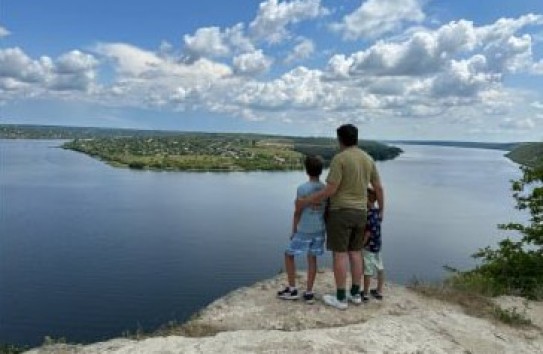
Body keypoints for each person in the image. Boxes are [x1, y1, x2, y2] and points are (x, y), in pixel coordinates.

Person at [297, 124, 384, 310]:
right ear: (356, 138)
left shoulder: (340, 159)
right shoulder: (368, 159)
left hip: (341, 213)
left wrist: (306, 201)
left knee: (340, 254)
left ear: (340, 139)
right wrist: (381, 210)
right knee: (356, 253)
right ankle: (355, 294)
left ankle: (340, 298)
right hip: (361, 213)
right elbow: (379, 188)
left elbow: (331, 189)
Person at [277, 155, 326, 304]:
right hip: (319, 229)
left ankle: (292, 289)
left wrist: (294, 230)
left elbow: (297, 211)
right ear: (321, 171)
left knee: (289, 255)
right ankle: (309, 292)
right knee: (312, 258)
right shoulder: (325, 188)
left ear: (306, 170)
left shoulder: (302, 189)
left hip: (304, 229)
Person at [362, 187, 384, 302]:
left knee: (367, 270)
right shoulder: (378, 213)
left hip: (369, 247)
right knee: (380, 268)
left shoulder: (369, 214)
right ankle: (379, 291)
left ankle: (365, 294)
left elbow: (368, 232)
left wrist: (362, 244)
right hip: (378, 245)